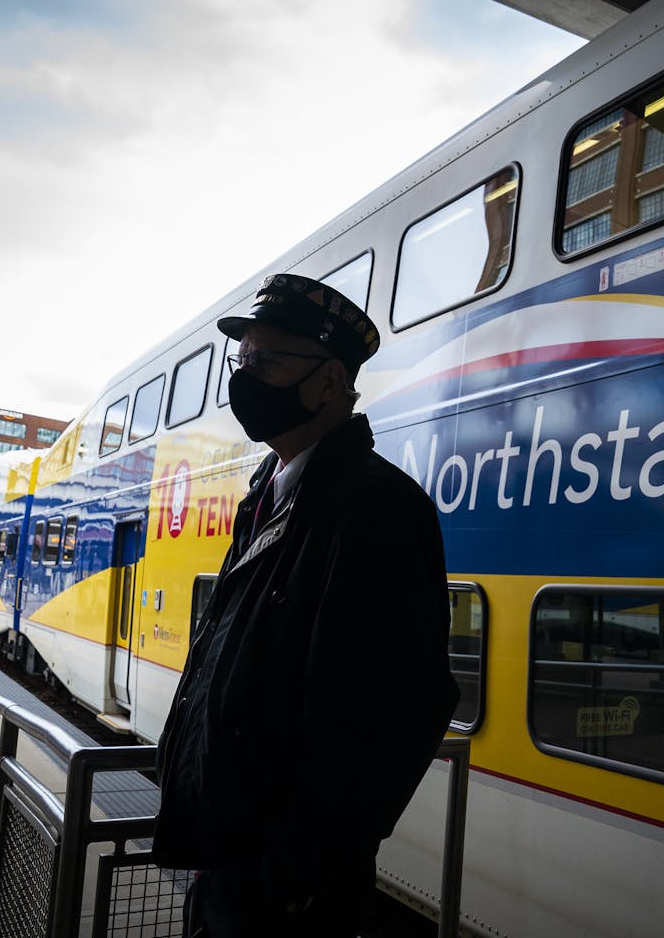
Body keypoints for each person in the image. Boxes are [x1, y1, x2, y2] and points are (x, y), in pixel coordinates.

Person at [152, 274, 460, 937]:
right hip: (226, 867)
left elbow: (397, 714)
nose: (246, 379)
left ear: (328, 382)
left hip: (285, 899)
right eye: (244, 361)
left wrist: (292, 879)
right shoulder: (266, 494)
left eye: (268, 362)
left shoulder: (377, 507)